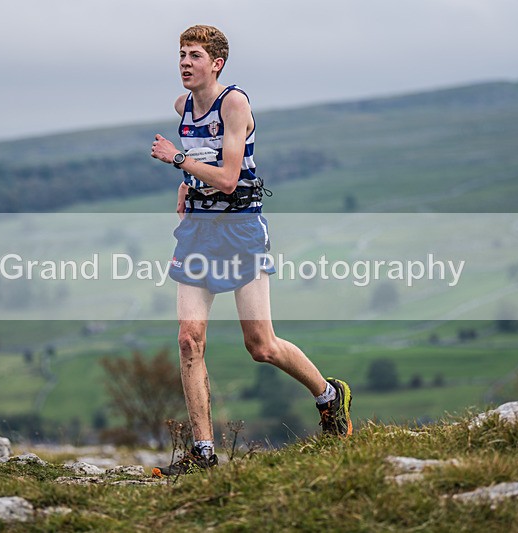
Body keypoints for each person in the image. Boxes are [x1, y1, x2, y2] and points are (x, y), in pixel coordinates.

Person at [150, 25, 351, 476]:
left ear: (216, 63)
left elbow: (228, 177)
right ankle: (203, 454)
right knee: (188, 339)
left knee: (260, 345)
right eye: (181, 54)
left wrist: (176, 161)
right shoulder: (182, 107)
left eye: (195, 55)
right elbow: (203, 163)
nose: (184, 62)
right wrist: (186, 185)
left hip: (241, 230)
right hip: (199, 232)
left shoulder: (235, 103)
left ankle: (329, 395)